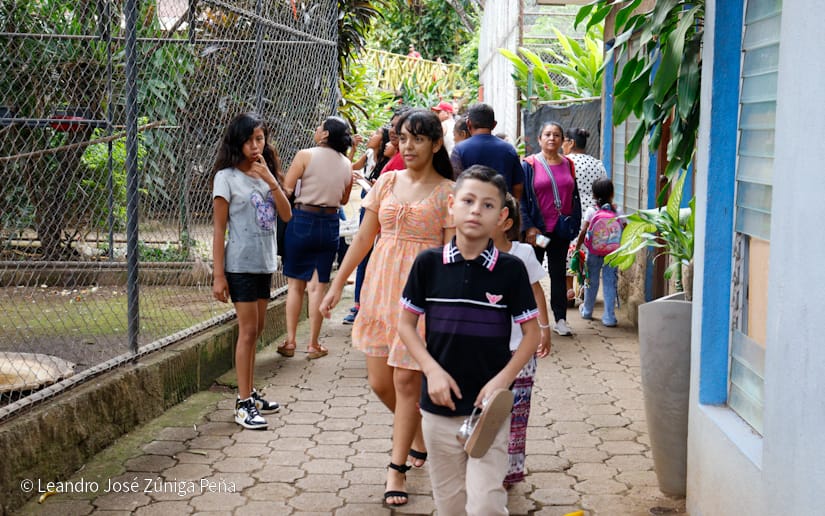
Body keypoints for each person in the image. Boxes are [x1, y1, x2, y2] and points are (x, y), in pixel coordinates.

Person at [320, 109, 455, 507]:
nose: (407, 146)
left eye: (417, 139)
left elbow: (448, 253)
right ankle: (418, 434)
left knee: (406, 383)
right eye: (403, 138)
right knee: (380, 382)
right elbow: (363, 239)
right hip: (379, 289)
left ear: (435, 144)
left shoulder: (449, 190)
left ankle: (395, 470)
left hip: (421, 295)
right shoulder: (387, 180)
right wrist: (337, 285)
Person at [398, 165, 540, 515]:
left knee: (487, 503)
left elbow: (532, 334)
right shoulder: (428, 264)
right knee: (450, 503)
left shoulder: (511, 270)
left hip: (488, 411)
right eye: (468, 200)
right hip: (437, 409)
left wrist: (502, 380)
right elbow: (405, 325)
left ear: (503, 217)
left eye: (488, 205)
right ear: (452, 205)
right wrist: (431, 371)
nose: (476, 210)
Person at [211, 112, 293, 430]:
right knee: (247, 332)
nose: (255, 145)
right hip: (240, 265)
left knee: (256, 331)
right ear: (237, 142)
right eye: (248, 140)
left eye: (259, 139)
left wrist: (270, 179)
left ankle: (251, 393)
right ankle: (243, 403)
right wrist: (219, 276)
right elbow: (219, 230)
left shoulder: (265, 173)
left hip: (263, 263)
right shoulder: (226, 178)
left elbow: (286, 214)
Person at [278, 116, 353, 360]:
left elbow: (287, 189)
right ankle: (313, 344)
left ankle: (290, 341)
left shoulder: (304, 155)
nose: (316, 129)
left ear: (325, 135)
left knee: (295, 286)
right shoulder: (346, 164)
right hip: (329, 224)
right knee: (318, 285)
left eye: (319, 127)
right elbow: (343, 200)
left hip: (302, 219)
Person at [491, 194, 551, 487]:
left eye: (490, 209)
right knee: (488, 410)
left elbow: (537, 292)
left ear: (507, 222)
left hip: (521, 346)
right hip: (487, 348)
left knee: (518, 409)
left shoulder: (524, 253)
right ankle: (485, 464)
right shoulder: (473, 255)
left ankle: (510, 470)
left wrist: (545, 327)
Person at [521, 121, 582, 337]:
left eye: (557, 135)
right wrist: (528, 227)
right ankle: (529, 318)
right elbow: (522, 200)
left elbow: (574, 196)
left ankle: (561, 319)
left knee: (558, 273)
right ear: (539, 139)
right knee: (531, 273)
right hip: (537, 232)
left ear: (563, 140)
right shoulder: (529, 165)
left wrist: (575, 222)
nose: (552, 138)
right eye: (547, 134)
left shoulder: (568, 164)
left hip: (560, 231)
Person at [344, 126, 392, 325]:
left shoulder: (389, 161)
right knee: (363, 254)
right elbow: (350, 166)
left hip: (377, 209)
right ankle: (358, 304)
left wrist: (369, 183)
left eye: (376, 134)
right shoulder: (370, 154)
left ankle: (364, 304)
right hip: (367, 205)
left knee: (369, 255)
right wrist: (353, 148)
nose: (371, 136)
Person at [450, 103, 524, 200]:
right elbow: (518, 185)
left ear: (468, 123)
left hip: (472, 210)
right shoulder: (508, 149)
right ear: (494, 125)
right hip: (502, 210)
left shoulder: (459, 150)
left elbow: (454, 184)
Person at [575, 177, 622, 327]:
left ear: (594, 195)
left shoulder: (591, 211)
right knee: (610, 282)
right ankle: (609, 317)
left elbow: (583, 231)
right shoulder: (618, 210)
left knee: (590, 281)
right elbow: (625, 229)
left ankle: (587, 310)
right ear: (612, 193)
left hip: (594, 251)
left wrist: (577, 248)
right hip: (612, 252)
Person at [562, 128, 607, 227]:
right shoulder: (598, 164)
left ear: (571, 143)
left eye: (563, 141)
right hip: (595, 217)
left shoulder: (564, 163)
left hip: (573, 217)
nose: (562, 146)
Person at [380, 106, 411, 174]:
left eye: (398, 127)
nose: (392, 131)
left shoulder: (404, 157)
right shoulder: (399, 154)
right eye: (392, 126)